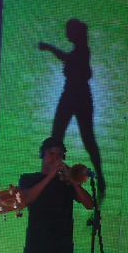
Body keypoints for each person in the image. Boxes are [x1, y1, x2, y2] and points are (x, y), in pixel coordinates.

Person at [39, 19, 105, 198]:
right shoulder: (81, 50)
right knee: (64, 137)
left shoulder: (82, 50)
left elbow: (70, 60)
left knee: (69, 137)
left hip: (75, 95)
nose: (67, 33)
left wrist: (49, 48)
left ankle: (55, 174)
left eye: (69, 30)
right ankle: (54, 173)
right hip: (75, 95)